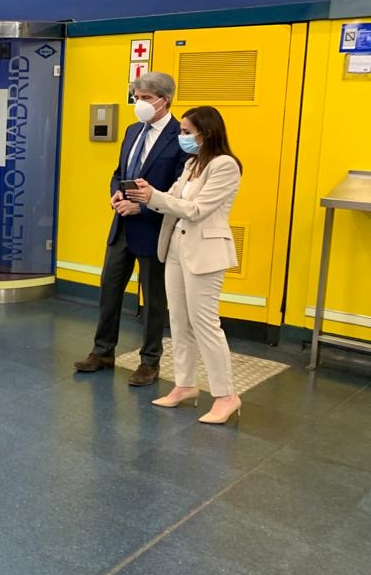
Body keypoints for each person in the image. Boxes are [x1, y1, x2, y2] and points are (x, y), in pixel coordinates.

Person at [126, 106, 243, 424]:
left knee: (205, 324)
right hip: (176, 248)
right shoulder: (192, 163)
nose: (182, 137)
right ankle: (185, 384)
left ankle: (226, 395)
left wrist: (153, 197)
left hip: (205, 252)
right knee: (178, 321)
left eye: (187, 132)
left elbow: (196, 209)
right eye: (181, 131)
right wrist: (144, 194)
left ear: (206, 133)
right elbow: (173, 198)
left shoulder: (225, 166)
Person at [74, 72, 190, 386]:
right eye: (136, 97)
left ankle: (150, 362)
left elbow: (180, 189)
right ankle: (102, 352)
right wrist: (116, 193)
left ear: (164, 100)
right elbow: (119, 172)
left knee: (153, 300)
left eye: (146, 98)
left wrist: (141, 206)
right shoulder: (131, 130)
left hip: (153, 228)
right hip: (122, 226)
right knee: (109, 288)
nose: (139, 103)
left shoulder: (180, 138)